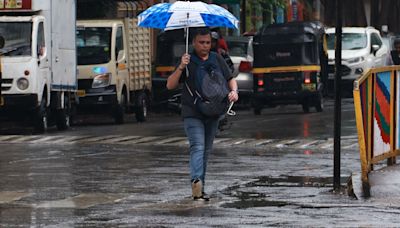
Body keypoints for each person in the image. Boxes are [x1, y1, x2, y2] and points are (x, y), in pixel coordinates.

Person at [166, 28, 239, 201]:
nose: (205, 46)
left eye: (208, 42)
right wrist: (181, 67)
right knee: (197, 146)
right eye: (201, 42)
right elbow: (170, 85)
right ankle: (196, 181)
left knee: (205, 150)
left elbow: (230, 79)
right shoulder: (187, 60)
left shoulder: (216, 58)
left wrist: (234, 91)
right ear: (193, 42)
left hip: (213, 111)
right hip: (192, 111)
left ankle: (201, 187)